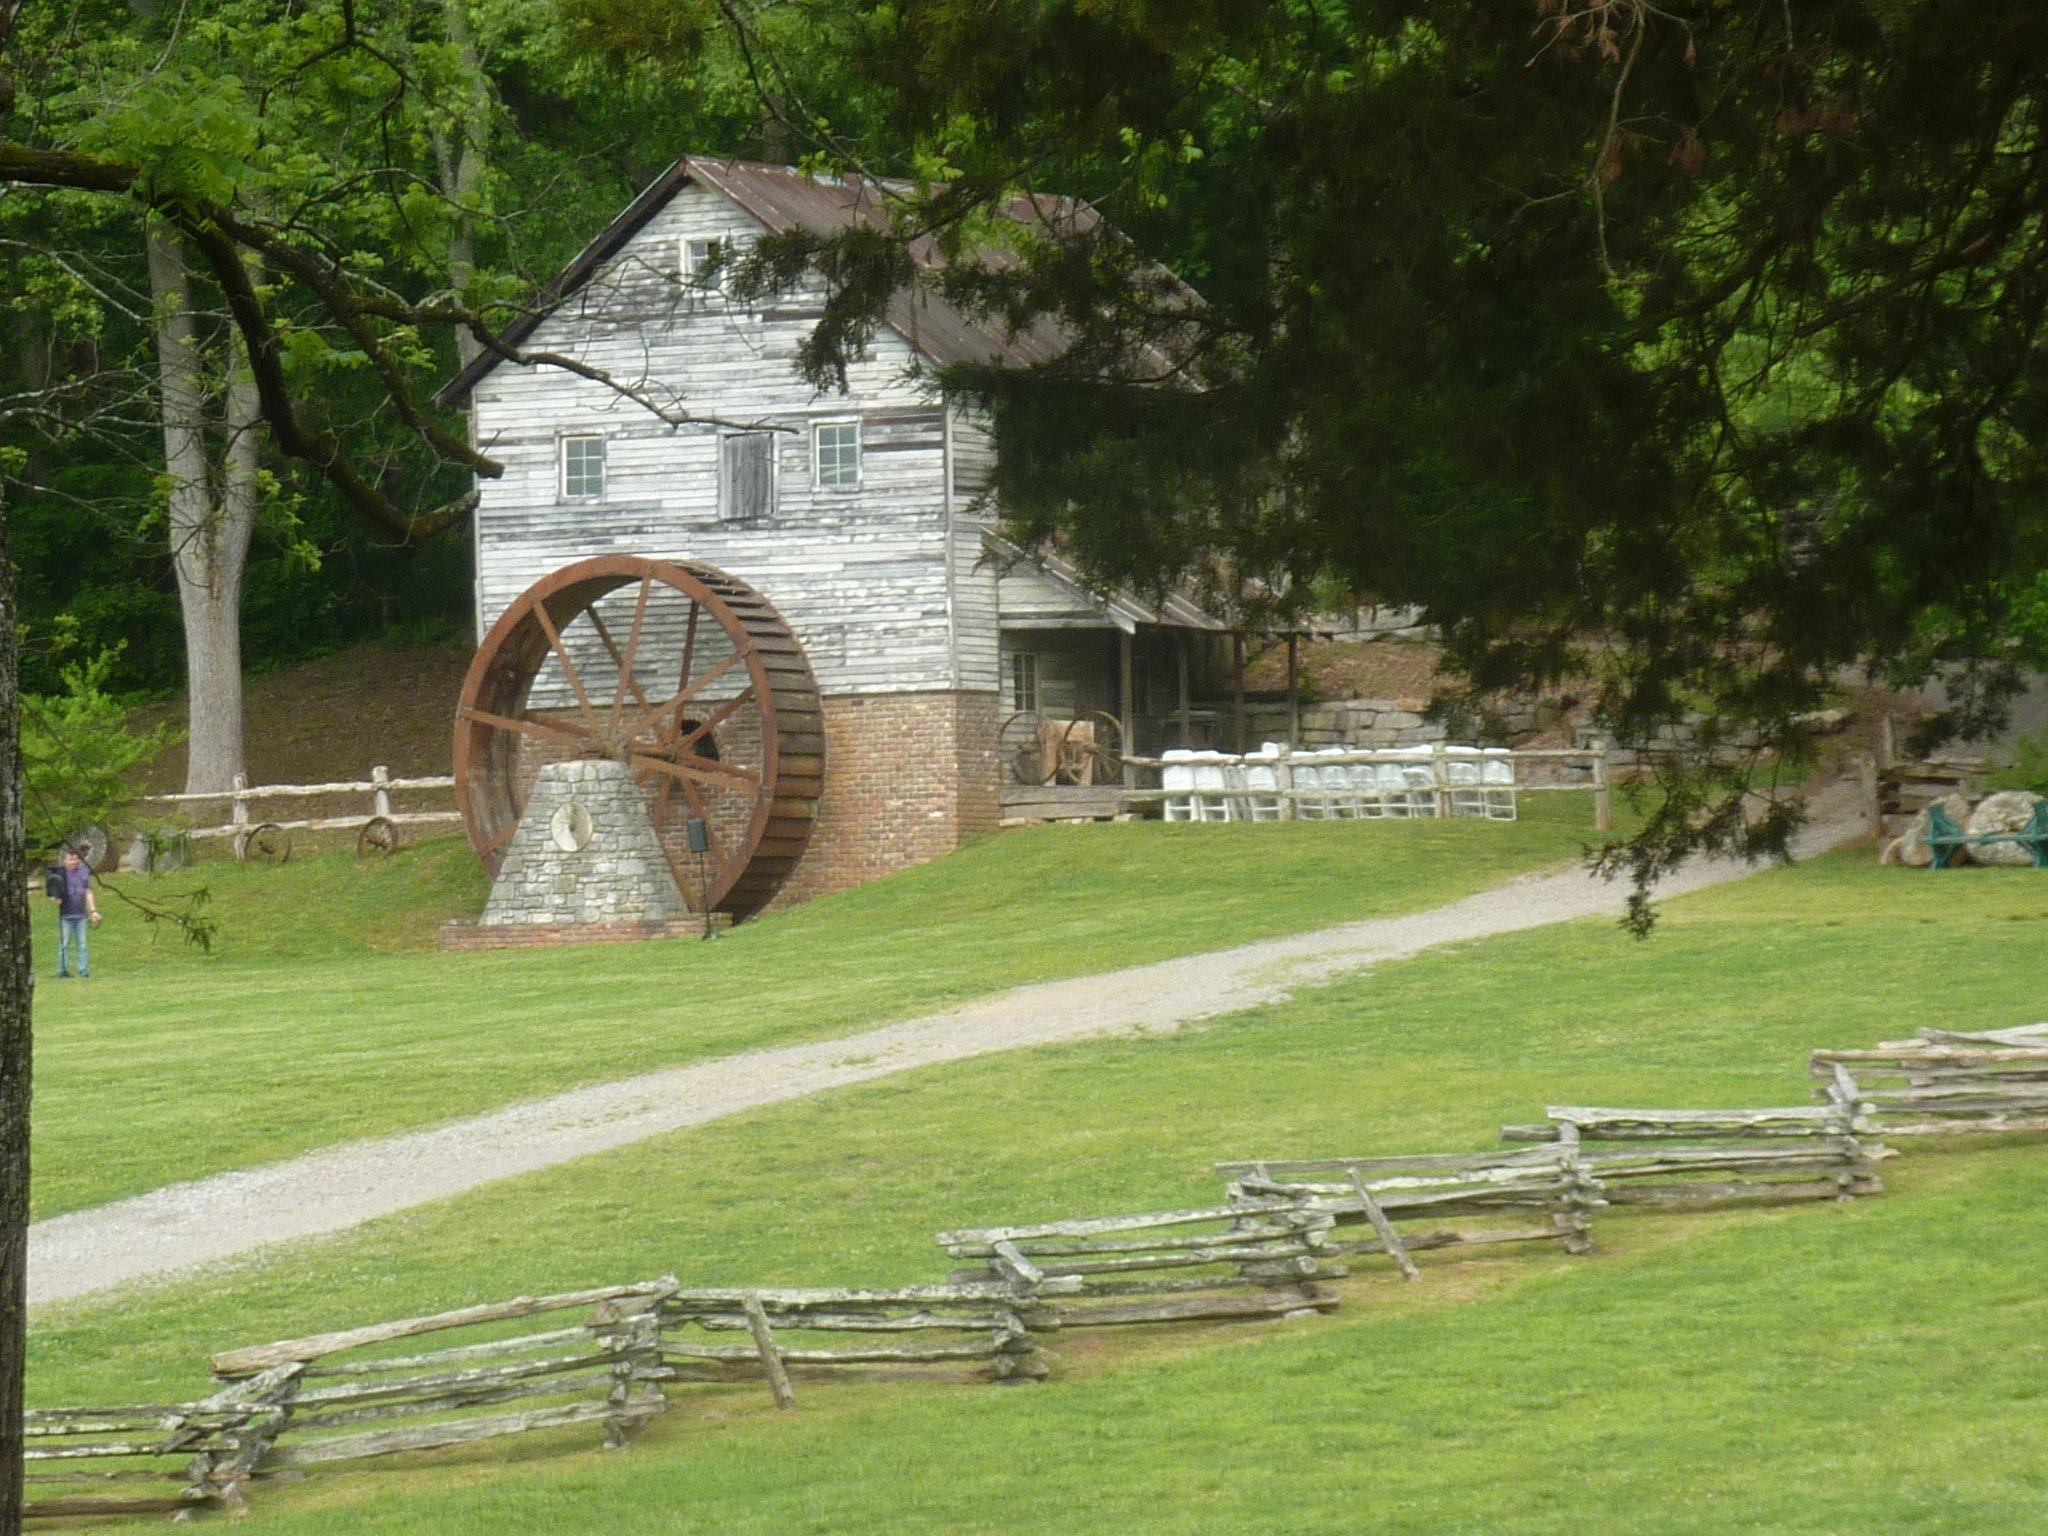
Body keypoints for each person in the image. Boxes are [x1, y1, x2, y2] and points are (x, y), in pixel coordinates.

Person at [51, 846, 100, 979]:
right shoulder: (59, 875)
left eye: (75, 859)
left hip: (81, 916)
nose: (73, 862)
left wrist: (93, 911)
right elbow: (54, 896)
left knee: (82, 944)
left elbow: (88, 892)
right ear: (65, 860)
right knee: (64, 944)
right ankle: (63, 970)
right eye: (70, 859)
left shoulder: (84, 873)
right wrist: (56, 899)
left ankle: (84, 971)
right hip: (65, 916)